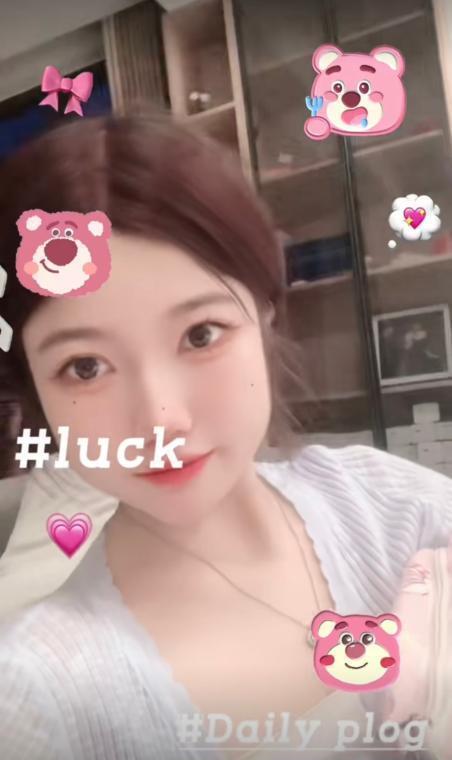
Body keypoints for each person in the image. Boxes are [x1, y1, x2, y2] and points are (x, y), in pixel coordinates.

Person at [0, 110, 451, 760]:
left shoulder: (400, 514)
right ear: (35, 388)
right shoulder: (36, 698)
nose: (161, 420)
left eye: (201, 334)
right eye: (86, 367)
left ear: (264, 311)